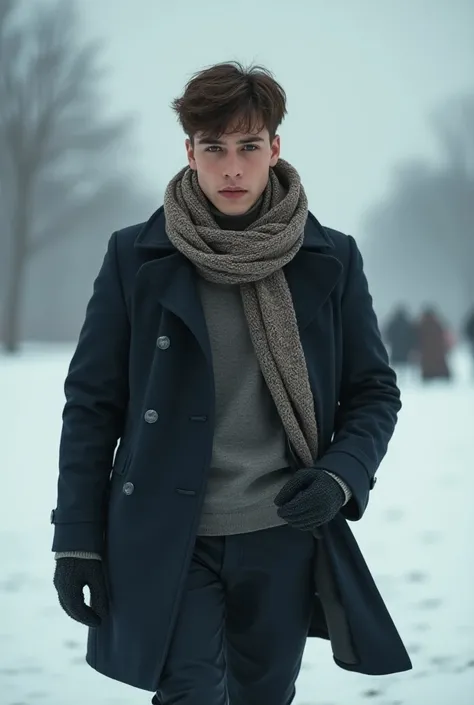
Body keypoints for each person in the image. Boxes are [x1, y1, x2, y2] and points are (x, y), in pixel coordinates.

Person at [51, 61, 411, 705]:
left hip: (282, 529)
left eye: (248, 146)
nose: (233, 168)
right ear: (190, 153)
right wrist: (76, 537)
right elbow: (92, 406)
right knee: (191, 693)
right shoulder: (134, 257)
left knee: (262, 697)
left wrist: (339, 475)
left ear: (275, 147)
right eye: (214, 149)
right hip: (166, 532)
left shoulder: (330, 257)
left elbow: (373, 392)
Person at [416, 306, 452, 382]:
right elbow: (445, 337)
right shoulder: (438, 324)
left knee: (428, 367)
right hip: (438, 351)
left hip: (426, 352)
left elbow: (417, 339)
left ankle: (428, 376)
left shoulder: (422, 325)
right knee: (440, 365)